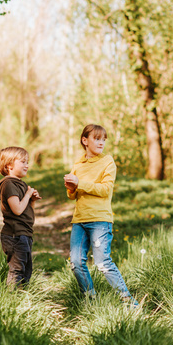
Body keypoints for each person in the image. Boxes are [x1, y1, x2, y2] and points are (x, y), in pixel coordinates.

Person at [64, 124, 138, 306]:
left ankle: (127, 300)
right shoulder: (78, 164)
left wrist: (80, 183)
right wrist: (72, 187)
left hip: (99, 220)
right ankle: (91, 299)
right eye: (97, 139)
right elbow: (72, 195)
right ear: (85, 140)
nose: (101, 143)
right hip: (80, 220)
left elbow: (105, 190)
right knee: (75, 262)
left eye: (103, 139)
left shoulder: (107, 162)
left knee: (102, 262)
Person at [0, 146, 41, 287]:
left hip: (24, 234)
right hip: (14, 236)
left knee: (26, 271)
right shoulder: (8, 184)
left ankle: (22, 299)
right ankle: (12, 301)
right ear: (9, 165)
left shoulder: (21, 184)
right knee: (17, 271)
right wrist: (27, 194)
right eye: (23, 162)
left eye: (27, 162)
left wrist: (31, 200)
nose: (27, 165)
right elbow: (17, 210)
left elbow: (28, 215)